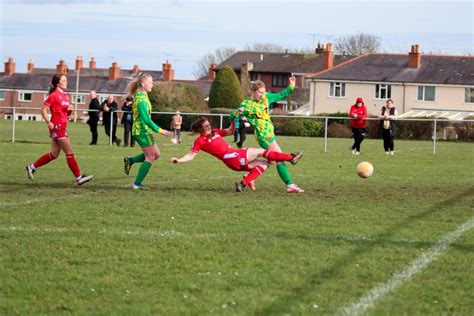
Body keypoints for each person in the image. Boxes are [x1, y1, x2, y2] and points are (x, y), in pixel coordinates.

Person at [169, 117, 303, 192]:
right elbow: (191, 155)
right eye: (206, 126)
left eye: (209, 124)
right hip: (233, 157)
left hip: (233, 161)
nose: (209, 127)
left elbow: (229, 131)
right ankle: (291, 158)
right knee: (261, 151)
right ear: (200, 129)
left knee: (265, 163)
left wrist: (233, 120)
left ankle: (243, 183)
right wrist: (179, 160)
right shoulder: (200, 141)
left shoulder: (215, 132)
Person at [230, 76, 304, 193]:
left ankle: (247, 180)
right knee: (279, 158)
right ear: (253, 92)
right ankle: (290, 184)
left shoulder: (266, 98)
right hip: (263, 136)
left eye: (264, 92)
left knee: (270, 162)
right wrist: (236, 113)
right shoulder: (246, 104)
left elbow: (281, 95)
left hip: (270, 134)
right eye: (260, 93)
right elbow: (232, 116)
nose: (262, 95)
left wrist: (291, 86)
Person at [25, 74, 93, 185]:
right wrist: (49, 122)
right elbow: (43, 110)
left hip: (62, 126)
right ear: (58, 83)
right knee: (69, 152)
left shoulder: (66, 96)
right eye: (63, 80)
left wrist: (69, 111)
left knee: (54, 154)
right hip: (58, 127)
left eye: (66, 80)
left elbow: (65, 114)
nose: (66, 82)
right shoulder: (54, 95)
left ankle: (32, 167)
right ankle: (79, 178)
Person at [123, 73, 171, 190]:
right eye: (150, 83)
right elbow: (146, 120)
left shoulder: (142, 96)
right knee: (150, 156)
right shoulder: (141, 100)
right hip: (141, 131)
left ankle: (131, 160)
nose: (152, 85)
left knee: (156, 154)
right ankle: (137, 184)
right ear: (143, 84)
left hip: (144, 130)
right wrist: (160, 130)